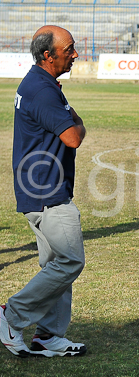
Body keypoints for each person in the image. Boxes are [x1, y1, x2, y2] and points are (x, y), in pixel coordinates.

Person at [1, 25, 87, 358]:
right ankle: (10, 316)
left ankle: (48, 335)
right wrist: (77, 119)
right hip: (47, 191)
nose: (75, 54)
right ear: (48, 55)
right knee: (69, 262)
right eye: (70, 49)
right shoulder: (42, 91)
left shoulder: (38, 83)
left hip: (38, 186)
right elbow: (73, 137)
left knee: (54, 262)